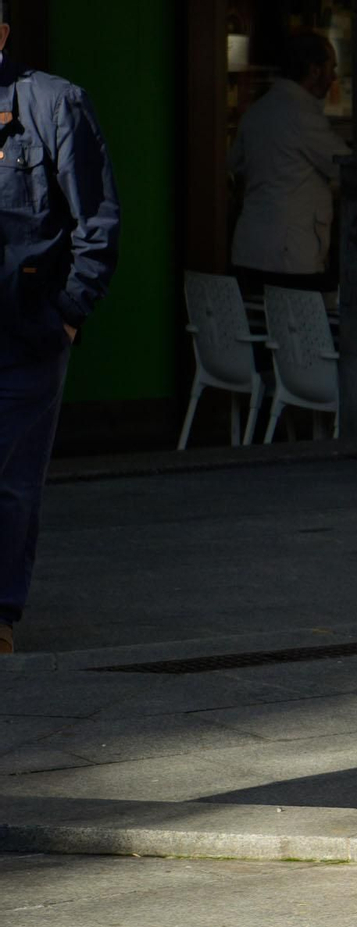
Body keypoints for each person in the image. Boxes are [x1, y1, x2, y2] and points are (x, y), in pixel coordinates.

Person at [0, 5, 120, 655]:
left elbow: (97, 226)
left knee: (11, 484)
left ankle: (0, 615)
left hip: (25, 336)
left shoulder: (54, 104)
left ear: (1, 35)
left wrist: (67, 316)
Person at [227, 31, 347, 294]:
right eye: (331, 68)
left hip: (250, 249)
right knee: (297, 332)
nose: (334, 77)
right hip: (291, 255)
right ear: (314, 71)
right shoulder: (303, 117)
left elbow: (236, 163)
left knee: (260, 328)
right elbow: (345, 166)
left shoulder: (257, 112)